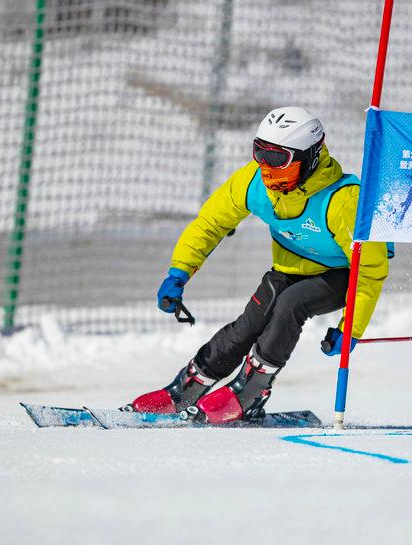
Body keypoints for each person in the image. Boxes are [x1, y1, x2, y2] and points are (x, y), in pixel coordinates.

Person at [126, 106, 391, 424]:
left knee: (291, 304)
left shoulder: (344, 201)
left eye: (278, 158)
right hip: (288, 269)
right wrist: (179, 271)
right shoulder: (253, 183)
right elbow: (211, 222)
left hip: (340, 275)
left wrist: (351, 328)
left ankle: (249, 393)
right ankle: (186, 389)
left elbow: (371, 270)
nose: (265, 167)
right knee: (247, 325)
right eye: (259, 153)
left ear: (310, 157)